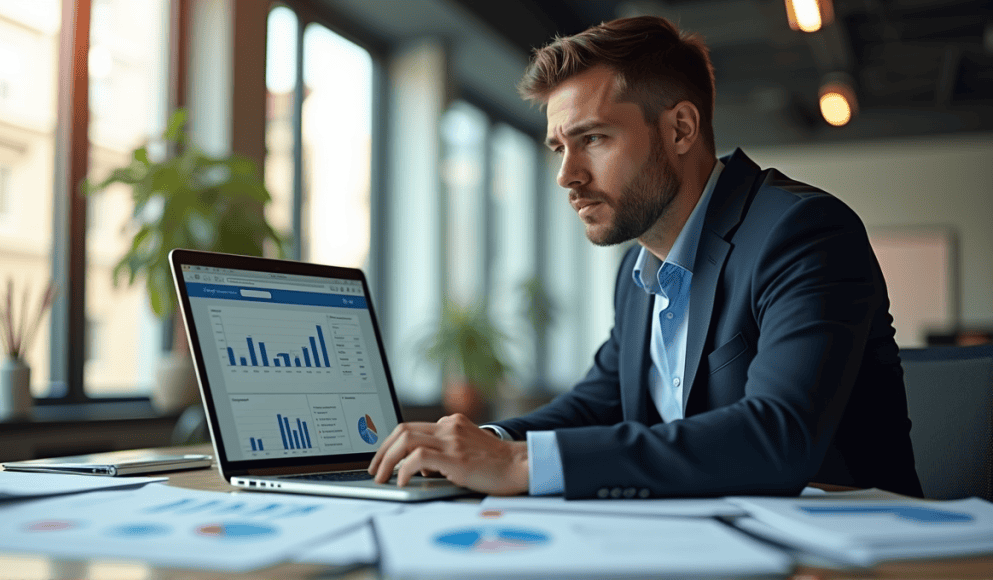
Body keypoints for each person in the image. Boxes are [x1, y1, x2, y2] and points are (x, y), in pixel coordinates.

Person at [368, 15, 923, 499]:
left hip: (852, 557)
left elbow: (778, 435)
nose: (568, 177)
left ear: (681, 128)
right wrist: (484, 443)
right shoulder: (639, 271)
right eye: (560, 148)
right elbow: (598, 403)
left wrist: (518, 464)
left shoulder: (801, 232)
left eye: (594, 139)